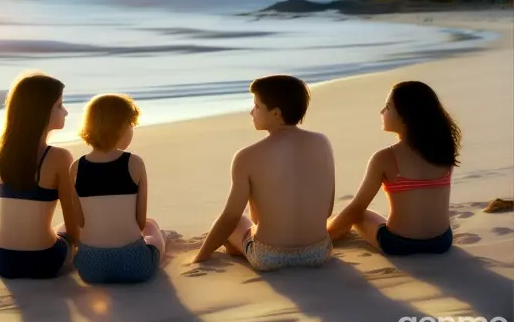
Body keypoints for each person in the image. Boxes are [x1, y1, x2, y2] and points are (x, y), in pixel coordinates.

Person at [192, 75, 335, 271]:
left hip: (269, 257)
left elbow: (230, 217)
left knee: (237, 223)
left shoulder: (247, 156)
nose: (251, 112)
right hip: (318, 252)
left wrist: (200, 257)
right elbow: (327, 209)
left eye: (257, 106)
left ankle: (238, 249)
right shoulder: (322, 143)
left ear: (276, 113)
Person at [327, 81, 461, 255]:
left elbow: (356, 208)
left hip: (398, 244)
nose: (382, 112)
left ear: (405, 116)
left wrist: (324, 237)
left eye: (388, 107)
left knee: (360, 215)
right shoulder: (443, 150)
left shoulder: (385, 158)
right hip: (442, 242)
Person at [0, 72, 80, 279]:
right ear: (42, 111)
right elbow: (74, 227)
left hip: (3, 260)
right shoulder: (59, 157)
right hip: (44, 260)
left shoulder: (3, 154)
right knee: (69, 228)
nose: (65, 112)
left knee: (56, 228)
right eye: (59, 105)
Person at [70, 93, 166, 284]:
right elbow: (139, 222)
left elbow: (80, 220)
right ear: (121, 127)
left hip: (90, 268)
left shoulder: (76, 167)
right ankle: (161, 240)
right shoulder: (134, 163)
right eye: (131, 125)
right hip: (135, 265)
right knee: (152, 227)